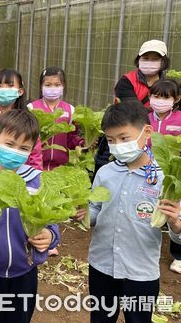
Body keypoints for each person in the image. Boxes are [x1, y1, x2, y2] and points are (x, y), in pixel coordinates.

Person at [76, 101, 181, 322]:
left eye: (124, 138)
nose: (117, 145)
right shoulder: (105, 172)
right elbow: (95, 211)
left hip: (140, 272)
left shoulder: (164, 178)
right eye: (111, 140)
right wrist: (84, 214)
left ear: (147, 132)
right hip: (101, 265)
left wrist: (175, 224)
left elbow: (176, 229)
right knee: (101, 318)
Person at [0, 109, 59, 323]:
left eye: (23, 148)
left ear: (31, 150)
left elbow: (51, 219)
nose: (15, 152)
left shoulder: (38, 181)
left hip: (24, 271)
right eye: (9, 144)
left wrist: (50, 235)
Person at [95, 40, 171, 175]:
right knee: (107, 164)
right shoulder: (127, 81)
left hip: (156, 137)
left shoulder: (169, 84)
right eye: (146, 58)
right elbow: (133, 111)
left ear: (163, 62)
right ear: (138, 59)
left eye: (155, 59)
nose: (150, 62)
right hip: (124, 133)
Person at [147, 80, 181, 274]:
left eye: (165, 97)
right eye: (156, 96)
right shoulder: (144, 118)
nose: (159, 100)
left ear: (176, 99)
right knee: (148, 208)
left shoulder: (179, 118)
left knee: (174, 212)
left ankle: (178, 255)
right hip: (149, 171)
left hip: (173, 174)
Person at [27, 67, 84, 170]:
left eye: (57, 85)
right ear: (41, 86)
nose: (52, 88)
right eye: (48, 85)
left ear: (63, 86)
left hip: (60, 168)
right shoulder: (31, 108)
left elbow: (70, 138)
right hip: (35, 166)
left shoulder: (71, 110)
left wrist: (81, 143)